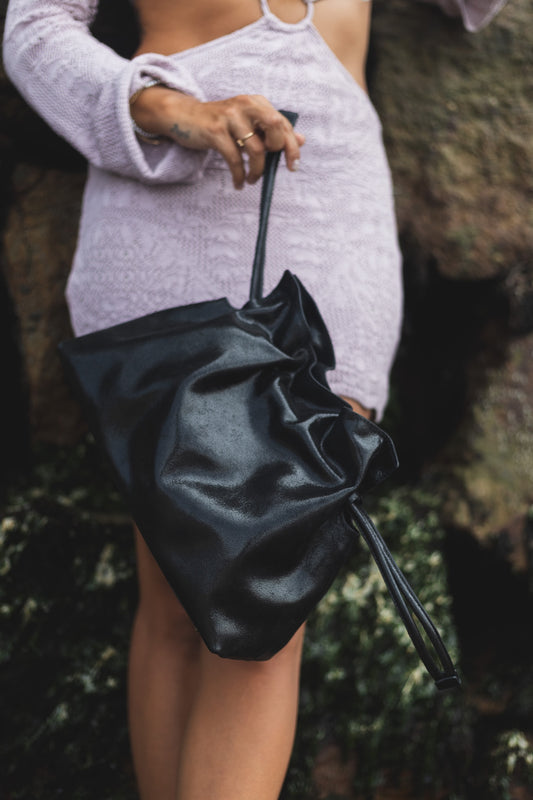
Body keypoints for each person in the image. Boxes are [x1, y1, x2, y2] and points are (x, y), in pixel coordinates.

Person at [2, 0, 506, 798]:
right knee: (174, 606)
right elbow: (34, 26)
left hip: (331, 222)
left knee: (263, 616)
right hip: (170, 210)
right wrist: (171, 110)